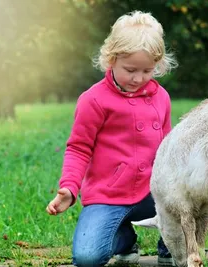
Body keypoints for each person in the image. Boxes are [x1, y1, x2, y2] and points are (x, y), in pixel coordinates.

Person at [46, 10, 178, 267]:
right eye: (130, 70)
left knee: (185, 201)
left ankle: (170, 247)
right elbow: (78, 148)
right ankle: (124, 239)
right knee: (87, 258)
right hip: (108, 195)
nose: (138, 79)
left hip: (153, 193)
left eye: (147, 70)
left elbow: (168, 148)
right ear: (111, 59)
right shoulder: (93, 100)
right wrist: (70, 187)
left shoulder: (161, 98)